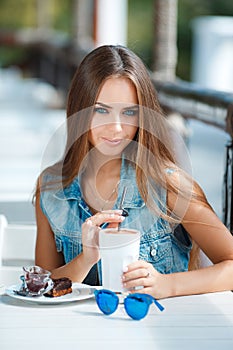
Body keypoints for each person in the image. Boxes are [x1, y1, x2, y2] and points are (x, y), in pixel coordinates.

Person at [34, 45, 233, 299]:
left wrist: (166, 285)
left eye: (129, 112)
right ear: (79, 110)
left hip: (167, 330)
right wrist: (85, 259)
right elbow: (40, 286)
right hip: (83, 336)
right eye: (101, 110)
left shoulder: (168, 184)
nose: (116, 128)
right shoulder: (51, 188)